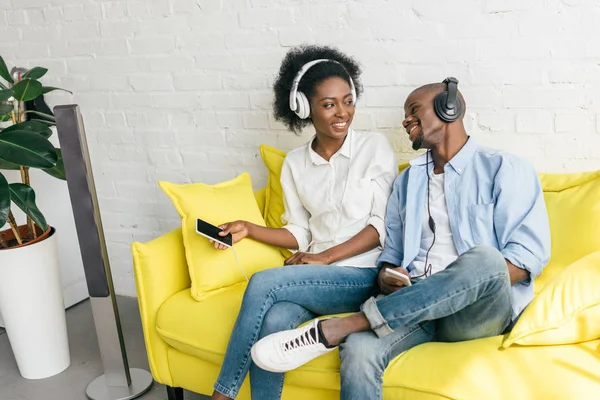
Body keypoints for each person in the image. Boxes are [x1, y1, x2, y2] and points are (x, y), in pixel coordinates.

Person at [251, 78, 552, 400]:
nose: (405, 121)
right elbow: (392, 250)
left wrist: (451, 285)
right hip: (411, 304)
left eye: (413, 111)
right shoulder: (409, 179)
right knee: (359, 350)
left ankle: (345, 324)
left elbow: (527, 257)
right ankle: (354, 329)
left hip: (474, 312)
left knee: (486, 257)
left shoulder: (504, 168)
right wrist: (387, 276)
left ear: (448, 109)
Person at [210, 45, 398, 400]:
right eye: (329, 104)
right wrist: (249, 229)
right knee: (274, 321)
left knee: (265, 283)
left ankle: (222, 395)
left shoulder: (374, 147)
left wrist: (323, 258)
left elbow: (379, 228)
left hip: (361, 274)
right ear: (303, 108)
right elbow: (299, 232)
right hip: (314, 277)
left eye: (347, 101)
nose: (342, 112)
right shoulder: (295, 164)